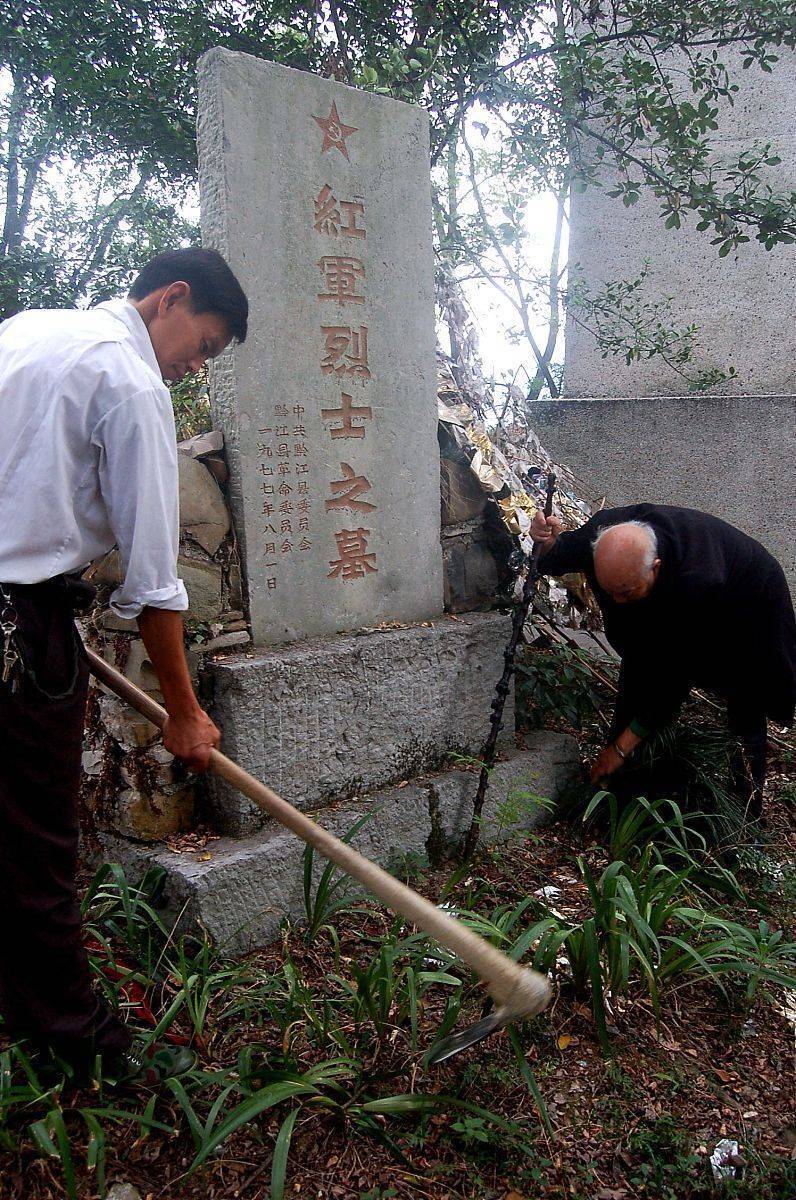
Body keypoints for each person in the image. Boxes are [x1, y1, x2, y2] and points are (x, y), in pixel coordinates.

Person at [0, 247, 248, 1083]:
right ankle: (75, 1039)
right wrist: (183, 710)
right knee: (37, 840)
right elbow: (155, 588)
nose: (195, 367)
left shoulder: (26, 330)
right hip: (20, 629)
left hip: (22, 606)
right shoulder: (132, 383)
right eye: (203, 345)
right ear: (170, 298)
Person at [530, 504, 796, 818]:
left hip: (750, 608)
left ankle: (744, 814)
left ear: (655, 567)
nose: (617, 602)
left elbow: (672, 680)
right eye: (609, 591)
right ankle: (622, 794)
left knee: (746, 700)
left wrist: (621, 747)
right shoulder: (603, 536)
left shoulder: (696, 581)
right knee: (639, 667)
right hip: (687, 602)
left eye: (626, 592)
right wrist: (546, 541)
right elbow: (556, 555)